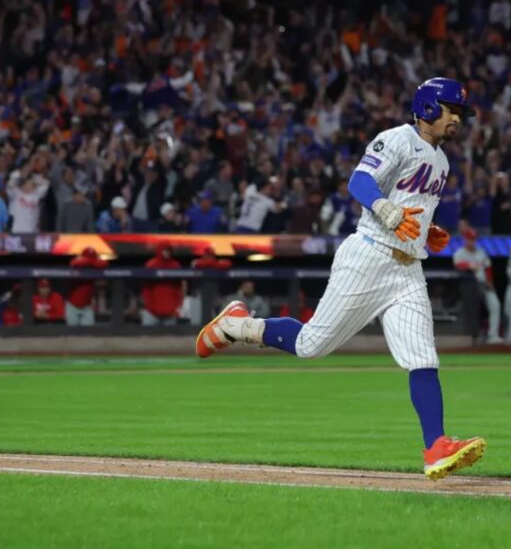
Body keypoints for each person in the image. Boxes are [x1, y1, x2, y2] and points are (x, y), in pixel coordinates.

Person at [193, 77, 486, 480]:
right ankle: (235, 325)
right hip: (368, 257)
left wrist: (426, 231)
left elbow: (412, 207)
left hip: (407, 269)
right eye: (453, 111)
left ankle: (436, 446)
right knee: (312, 345)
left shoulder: (442, 160)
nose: (458, 119)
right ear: (430, 108)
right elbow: (360, 182)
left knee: (422, 357)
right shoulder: (396, 139)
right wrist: (385, 211)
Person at [453, 228, 502, 343]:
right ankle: (474, 335)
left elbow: (488, 267)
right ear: (465, 239)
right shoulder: (460, 253)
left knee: (495, 305)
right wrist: (469, 265)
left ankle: (492, 335)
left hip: (483, 284)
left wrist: (490, 283)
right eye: (469, 239)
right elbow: (458, 264)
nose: (471, 242)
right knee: (474, 310)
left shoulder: (481, 252)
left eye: (473, 239)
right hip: (468, 288)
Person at [183, 247, 232, 323]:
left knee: (217, 310)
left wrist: (212, 263)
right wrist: (214, 264)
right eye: (208, 256)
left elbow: (228, 263)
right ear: (204, 256)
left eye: (211, 256)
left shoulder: (215, 263)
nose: (209, 258)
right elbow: (195, 263)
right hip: (200, 291)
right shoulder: (200, 262)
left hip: (215, 291)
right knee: (202, 311)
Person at [141, 242, 184, 326]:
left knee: (170, 337)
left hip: (170, 311)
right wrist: (149, 306)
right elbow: (146, 289)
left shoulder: (175, 266)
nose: (166, 253)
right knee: (148, 336)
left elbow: (179, 288)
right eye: (164, 250)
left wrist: (177, 306)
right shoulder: (151, 265)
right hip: (152, 311)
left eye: (168, 251)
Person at [66, 247, 106, 326]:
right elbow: (73, 263)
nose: (90, 258)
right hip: (73, 306)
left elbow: (104, 263)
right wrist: (89, 261)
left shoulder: (95, 266)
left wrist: (90, 260)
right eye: (88, 256)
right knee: (72, 333)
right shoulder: (77, 263)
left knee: (89, 333)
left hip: (86, 306)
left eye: (92, 256)